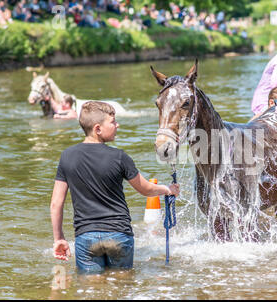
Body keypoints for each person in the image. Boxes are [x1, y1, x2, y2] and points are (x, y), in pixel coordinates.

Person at [50, 101, 180, 274]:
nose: (117, 125)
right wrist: (168, 189)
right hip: (119, 235)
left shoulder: (67, 156)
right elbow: (146, 189)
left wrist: (59, 238)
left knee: (91, 290)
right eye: (112, 122)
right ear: (98, 129)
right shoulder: (119, 157)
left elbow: (56, 204)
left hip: (86, 236)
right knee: (121, 284)